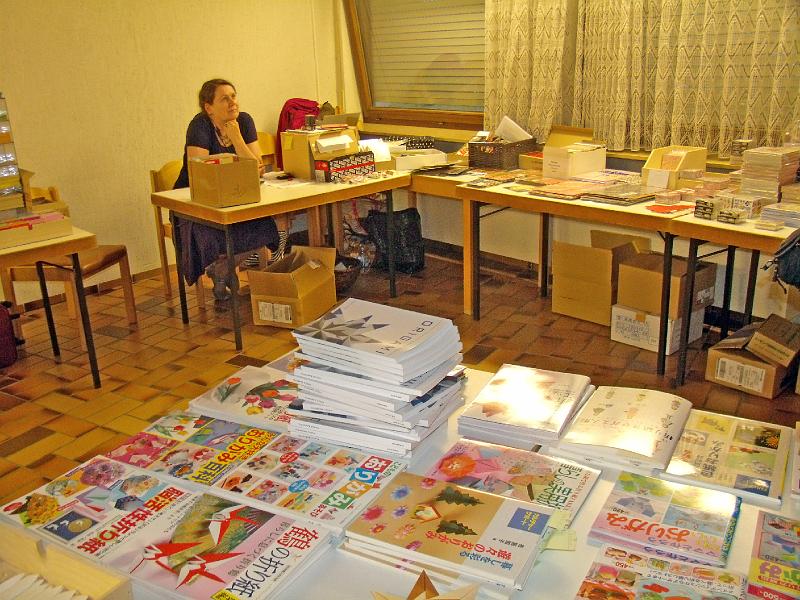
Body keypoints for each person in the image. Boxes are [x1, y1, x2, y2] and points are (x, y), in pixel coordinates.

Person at [174, 78, 289, 300]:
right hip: (196, 203)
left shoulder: (244, 121)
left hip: (236, 198)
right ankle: (223, 270)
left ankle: (221, 270)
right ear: (209, 108)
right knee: (211, 237)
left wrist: (237, 138)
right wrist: (239, 170)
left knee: (266, 228)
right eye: (224, 99)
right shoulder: (200, 125)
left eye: (234, 96)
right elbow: (200, 172)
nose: (232, 102)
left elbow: (257, 169)